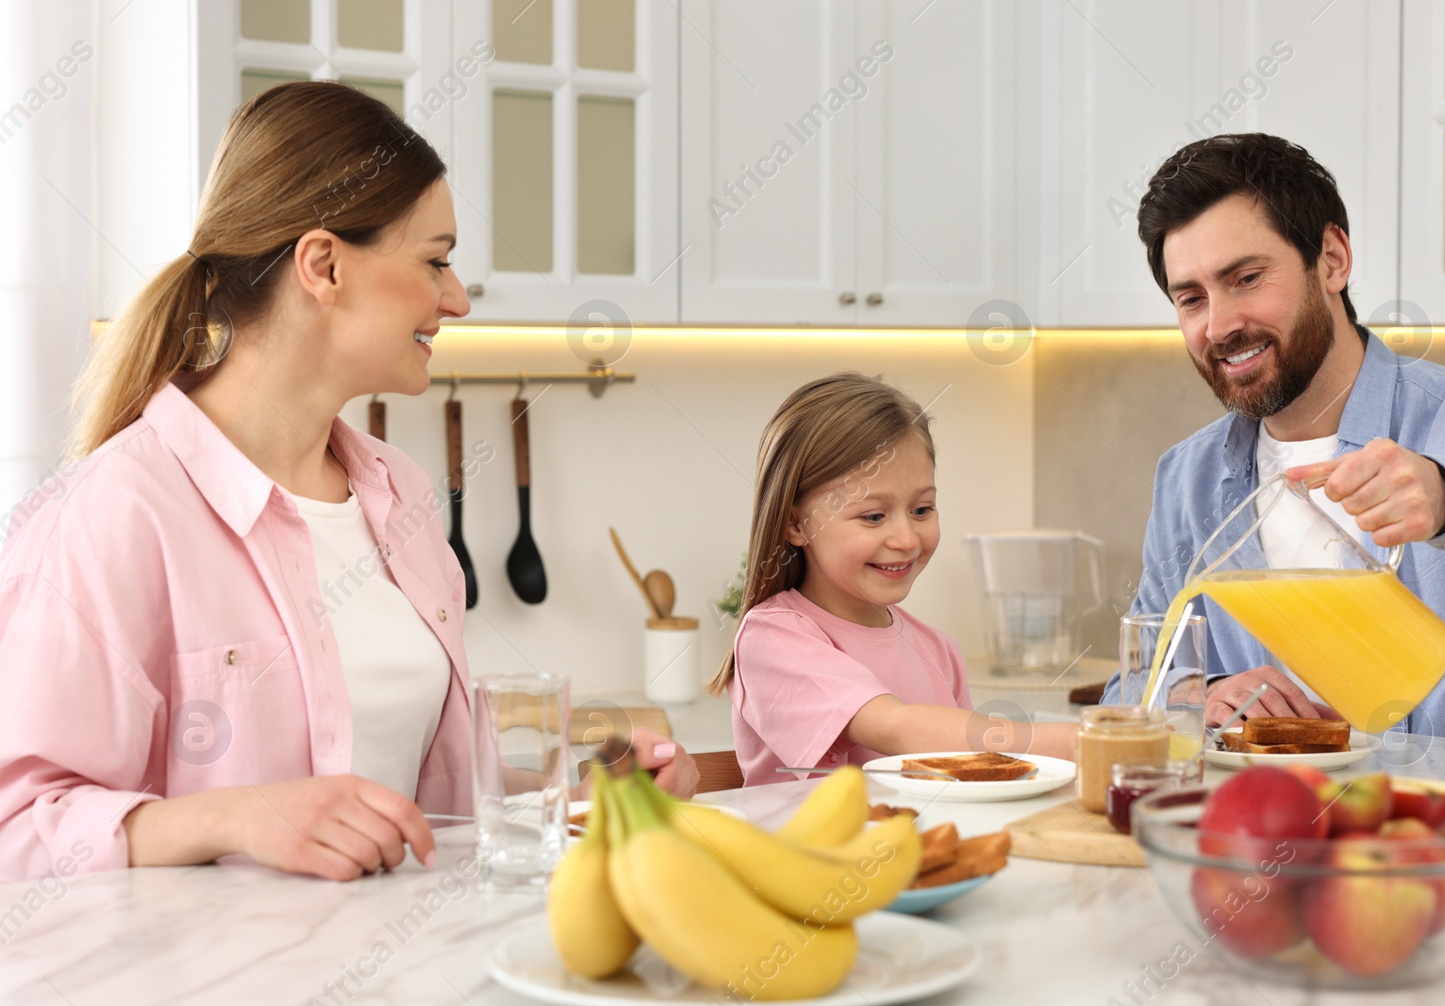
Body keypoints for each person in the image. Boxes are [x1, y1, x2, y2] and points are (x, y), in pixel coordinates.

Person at [0, 81, 696, 885]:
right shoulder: (111, 515)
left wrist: (580, 801)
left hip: (406, 996)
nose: (458, 298)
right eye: (436, 260)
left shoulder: (398, 496)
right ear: (323, 265)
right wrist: (234, 815)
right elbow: (18, 829)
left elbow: (427, 807)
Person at [1111, 132, 1445, 743]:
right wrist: (1201, 692)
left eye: (1247, 278)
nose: (1219, 325)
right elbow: (1135, 678)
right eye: (1191, 298)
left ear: (1333, 260)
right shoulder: (1189, 477)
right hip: (1271, 830)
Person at [710, 372, 1078, 785]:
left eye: (922, 510)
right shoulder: (773, 638)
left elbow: (969, 774)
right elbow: (897, 728)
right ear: (795, 524)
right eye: (873, 516)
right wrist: (1077, 742)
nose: (906, 539)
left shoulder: (940, 651)